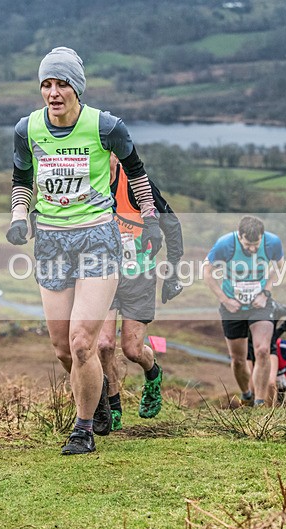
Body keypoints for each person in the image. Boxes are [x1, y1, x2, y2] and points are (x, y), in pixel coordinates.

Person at [6, 47, 163, 455]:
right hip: (52, 243)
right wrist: (19, 214)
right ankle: (99, 394)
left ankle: (83, 427)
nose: (53, 92)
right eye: (46, 84)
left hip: (97, 239)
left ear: (76, 87)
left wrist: (149, 216)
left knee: (82, 342)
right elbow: (21, 178)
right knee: (63, 349)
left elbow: (137, 172)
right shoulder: (27, 130)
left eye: (61, 84)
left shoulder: (106, 127)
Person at [97, 153, 183, 430]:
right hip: (101, 277)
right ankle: (114, 406)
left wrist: (173, 272)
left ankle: (153, 373)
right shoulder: (87, 184)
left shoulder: (135, 185)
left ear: (113, 156)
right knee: (103, 345)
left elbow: (171, 223)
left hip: (139, 277)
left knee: (132, 350)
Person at [203, 216, 284, 406]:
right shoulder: (225, 244)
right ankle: (246, 393)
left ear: (262, 237)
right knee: (239, 360)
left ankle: (260, 403)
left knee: (263, 350)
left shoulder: (272, 243)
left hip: (260, 305)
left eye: (256, 244)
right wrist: (225, 300)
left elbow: (279, 267)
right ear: (240, 237)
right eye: (248, 244)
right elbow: (206, 271)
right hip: (233, 308)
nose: (253, 249)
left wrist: (266, 292)